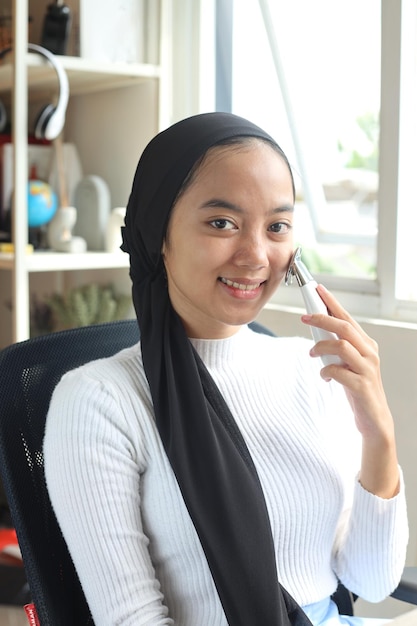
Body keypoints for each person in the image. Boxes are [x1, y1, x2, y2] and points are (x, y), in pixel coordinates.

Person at [44, 112, 409, 626]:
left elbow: (371, 582)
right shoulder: (99, 401)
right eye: (222, 223)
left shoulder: (312, 369)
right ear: (158, 234)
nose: (256, 255)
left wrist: (378, 433)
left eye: (277, 226)